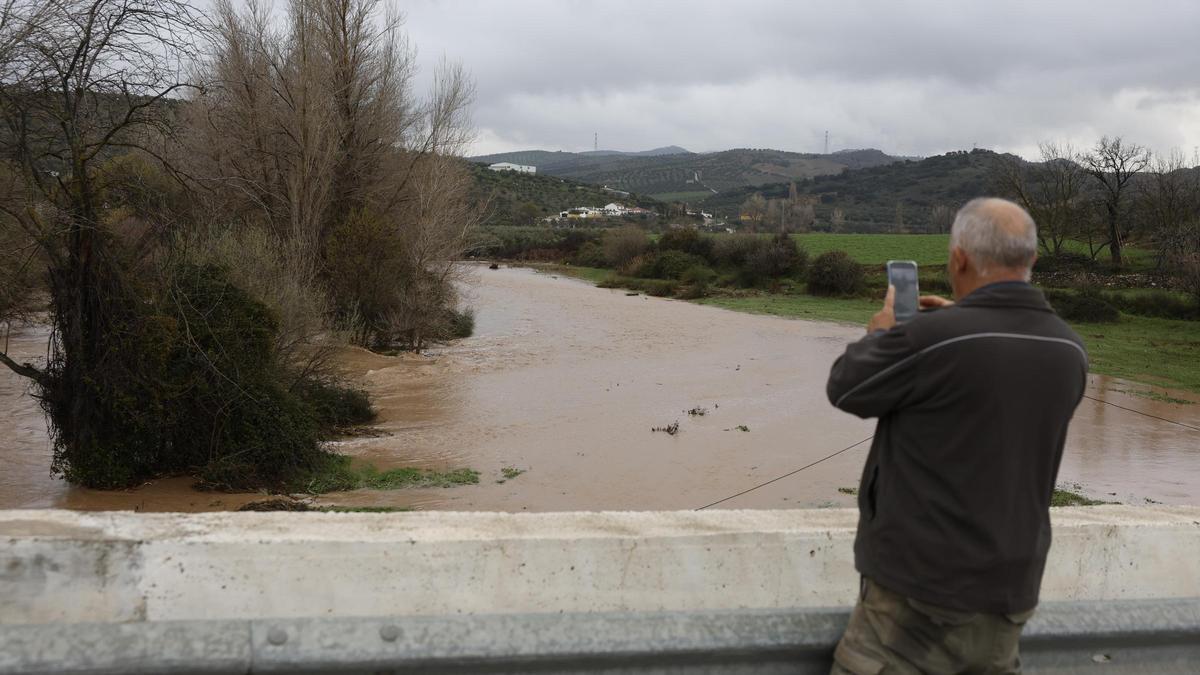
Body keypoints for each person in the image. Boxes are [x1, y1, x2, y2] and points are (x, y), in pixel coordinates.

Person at [825, 197, 1088, 674]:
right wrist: (963, 323)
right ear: (1031, 259)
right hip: (1009, 602)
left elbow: (847, 387)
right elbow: (990, 397)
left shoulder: (932, 340)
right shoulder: (1069, 349)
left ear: (958, 259)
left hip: (916, 604)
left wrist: (882, 333)